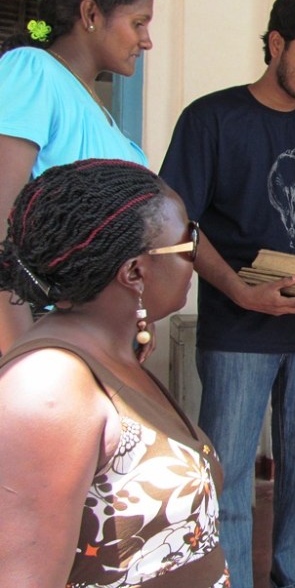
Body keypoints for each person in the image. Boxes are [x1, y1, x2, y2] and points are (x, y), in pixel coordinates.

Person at [159, 0, 295, 588]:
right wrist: (241, 291)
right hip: (238, 328)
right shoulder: (211, 118)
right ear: (277, 44)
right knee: (228, 471)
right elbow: (179, 225)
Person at [0, 159, 227, 587]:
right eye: (189, 243)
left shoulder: (114, 353)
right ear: (135, 272)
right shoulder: (48, 386)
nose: (195, 258)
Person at [0, 0, 159, 353]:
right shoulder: (34, 71)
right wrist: (24, 354)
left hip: (92, 335)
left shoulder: (97, 110)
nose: (146, 41)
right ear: (90, 14)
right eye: (138, 23)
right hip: (46, 331)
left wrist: (133, 315)